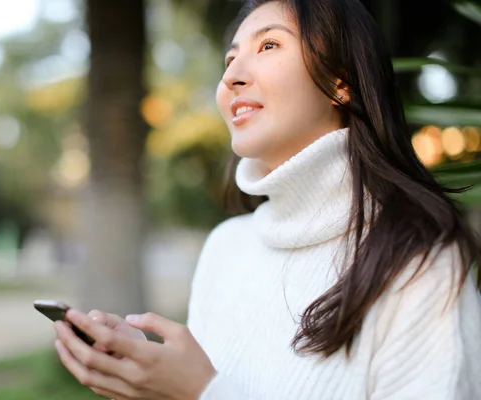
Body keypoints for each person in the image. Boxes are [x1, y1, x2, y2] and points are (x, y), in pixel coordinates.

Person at [52, 0, 481, 398]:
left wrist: (203, 391)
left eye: (269, 45)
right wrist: (157, 377)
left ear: (341, 81)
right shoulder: (226, 246)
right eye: (230, 59)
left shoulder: (421, 260)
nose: (231, 76)